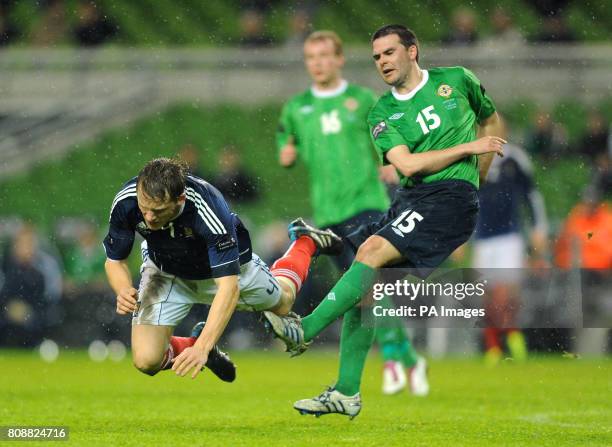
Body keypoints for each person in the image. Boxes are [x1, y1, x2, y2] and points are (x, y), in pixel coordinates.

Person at [265, 24, 505, 419]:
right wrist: (469, 147)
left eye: (389, 53)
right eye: (376, 57)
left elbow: (492, 122)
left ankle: (303, 330)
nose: (382, 62)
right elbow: (407, 163)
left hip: (446, 198)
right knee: (369, 291)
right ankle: (346, 391)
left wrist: (476, 176)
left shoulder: (457, 80)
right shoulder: (381, 112)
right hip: (411, 197)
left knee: (370, 250)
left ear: (413, 51)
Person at [277, 30, 428, 396]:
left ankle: (393, 356)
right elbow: (286, 141)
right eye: (312, 57)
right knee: (361, 293)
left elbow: (390, 131)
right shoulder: (296, 108)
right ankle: (407, 358)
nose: (318, 63)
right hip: (328, 212)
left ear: (339, 59)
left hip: (366, 203)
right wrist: (287, 152)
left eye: (325, 56)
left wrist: (392, 160)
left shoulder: (361, 100)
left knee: (368, 286)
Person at [103, 157, 342, 381]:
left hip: (225, 273)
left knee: (284, 302)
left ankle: (305, 241)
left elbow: (228, 287)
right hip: (165, 272)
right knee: (146, 361)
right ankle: (194, 343)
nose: (149, 217)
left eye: (158, 211)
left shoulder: (209, 210)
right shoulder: (127, 201)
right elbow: (114, 260)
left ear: (180, 199)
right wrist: (123, 288)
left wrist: (203, 348)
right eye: (145, 208)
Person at [471, 142, 549, 366]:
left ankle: (514, 337)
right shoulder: (472, 159)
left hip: (509, 236)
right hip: (482, 239)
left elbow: (532, 195)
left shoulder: (515, 159)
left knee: (506, 295)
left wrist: (538, 229)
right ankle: (493, 346)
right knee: (486, 296)